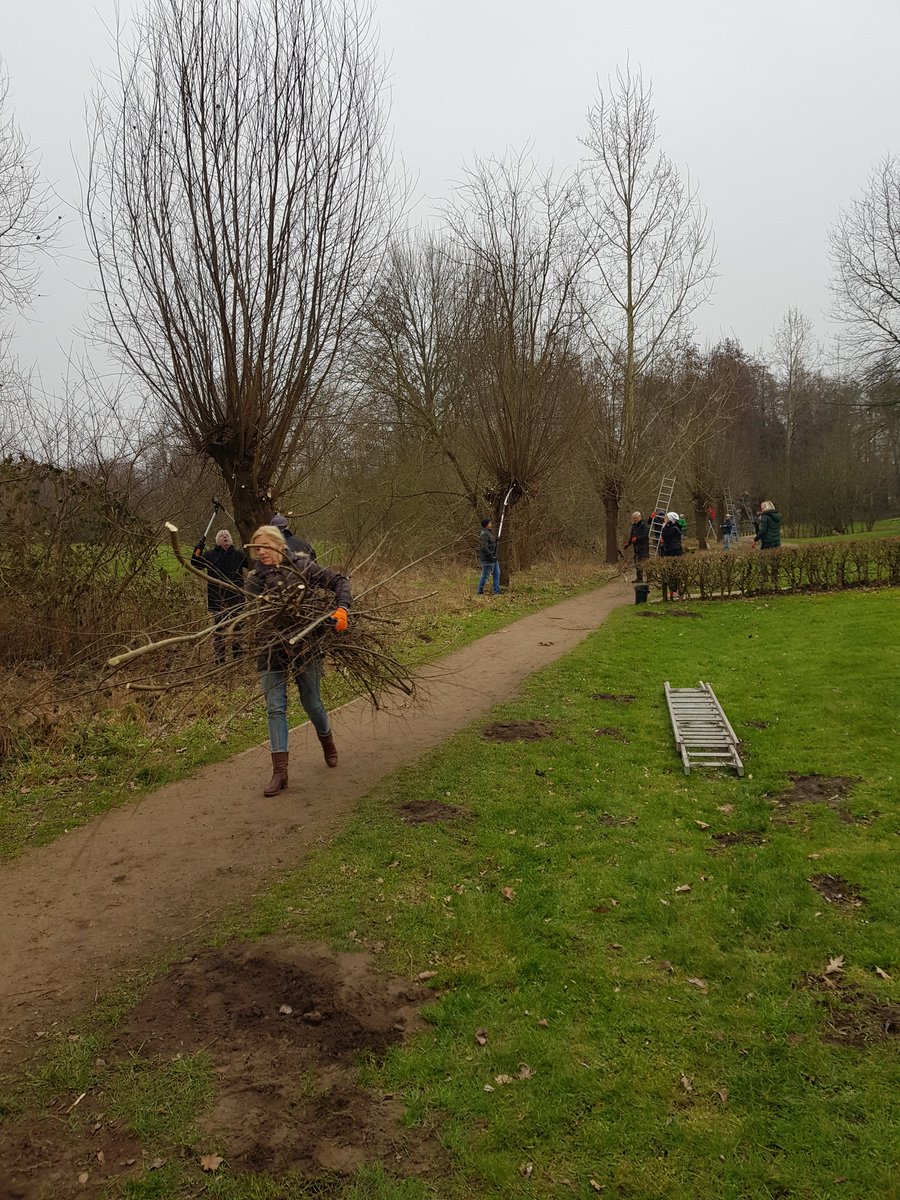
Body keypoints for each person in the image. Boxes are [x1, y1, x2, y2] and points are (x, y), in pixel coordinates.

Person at [245, 525, 351, 796]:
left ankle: (327, 741)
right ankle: (280, 772)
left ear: (280, 546)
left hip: (305, 645)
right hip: (271, 648)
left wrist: (342, 608)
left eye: (266, 546)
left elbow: (340, 580)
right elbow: (258, 614)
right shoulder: (255, 579)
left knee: (311, 702)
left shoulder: (303, 566)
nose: (261, 553)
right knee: (275, 708)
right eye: (257, 549)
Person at [192, 529, 247, 664]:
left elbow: (252, 564)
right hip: (217, 600)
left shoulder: (239, 554)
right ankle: (220, 660)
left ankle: (237, 659)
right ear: (217, 541)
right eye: (222, 536)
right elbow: (195, 562)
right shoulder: (210, 554)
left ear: (231, 539)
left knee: (237, 629)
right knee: (219, 632)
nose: (225, 537)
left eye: (227, 535)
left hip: (236, 599)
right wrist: (199, 547)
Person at [623, 511, 650, 581]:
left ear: (640, 517)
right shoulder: (634, 526)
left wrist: (637, 538)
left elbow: (645, 535)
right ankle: (639, 578)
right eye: (634, 518)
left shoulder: (644, 525)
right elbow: (632, 536)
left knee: (644, 562)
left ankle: (650, 577)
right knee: (636, 563)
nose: (635, 519)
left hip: (644, 547)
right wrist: (628, 543)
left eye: (636, 518)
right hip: (636, 547)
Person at [476, 517, 500, 595]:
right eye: (489, 523)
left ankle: (496, 590)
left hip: (493, 557)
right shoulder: (484, 534)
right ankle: (479, 590)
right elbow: (484, 547)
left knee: (497, 573)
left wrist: (496, 542)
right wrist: (490, 556)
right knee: (485, 575)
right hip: (488, 558)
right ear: (486, 525)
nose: (491, 524)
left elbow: (491, 544)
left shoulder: (489, 533)